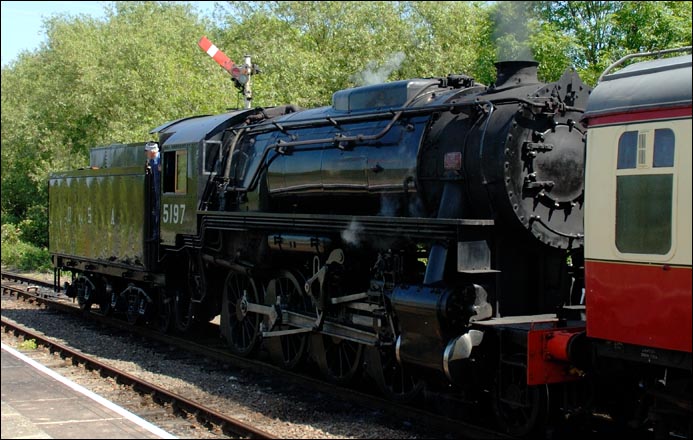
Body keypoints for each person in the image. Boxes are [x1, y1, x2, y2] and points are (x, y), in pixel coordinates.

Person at [145, 141, 161, 242]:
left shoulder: (160, 159)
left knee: (158, 211)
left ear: (151, 152)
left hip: (160, 190)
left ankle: (157, 234)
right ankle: (155, 234)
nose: (145, 153)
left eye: (146, 151)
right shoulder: (152, 161)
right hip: (156, 189)